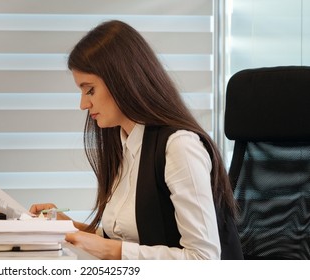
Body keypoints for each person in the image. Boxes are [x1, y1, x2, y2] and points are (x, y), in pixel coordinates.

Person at [30, 20, 243, 260]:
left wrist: (113, 252)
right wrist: (67, 228)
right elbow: (129, 238)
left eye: (89, 90)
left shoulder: (179, 146)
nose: (83, 104)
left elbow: (204, 259)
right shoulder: (125, 144)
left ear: (122, 80)